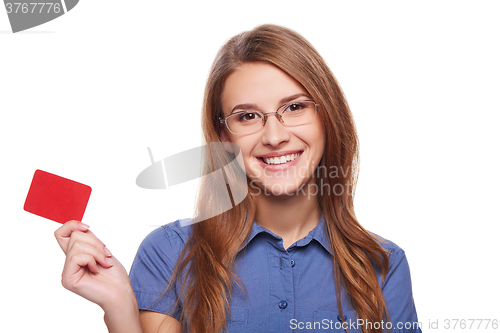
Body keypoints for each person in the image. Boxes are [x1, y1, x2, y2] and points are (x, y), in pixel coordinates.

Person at [55, 24, 422, 333]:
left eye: (295, 107)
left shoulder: (382, 266)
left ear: (328, 117)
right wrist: (120, 308)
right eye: (247, 116)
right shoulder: (169, 254)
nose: (275, 136)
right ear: (224, 137)